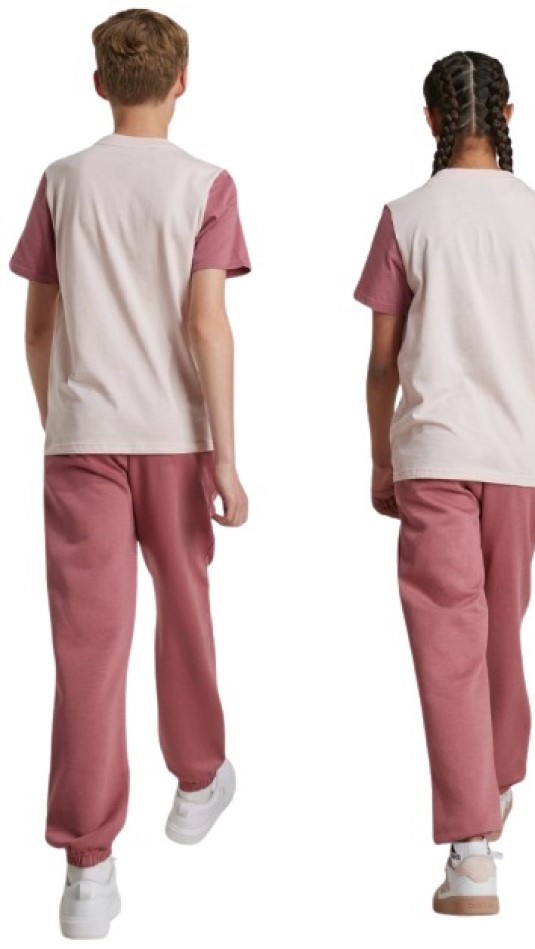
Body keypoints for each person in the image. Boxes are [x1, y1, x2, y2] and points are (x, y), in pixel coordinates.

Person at [9, 8, 251, 939]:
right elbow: (206, 325)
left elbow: (38, 327)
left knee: (87, 645)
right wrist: (225, 454)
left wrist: (64, 420)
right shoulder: (205, 184)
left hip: (83, 438)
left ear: (99, 84)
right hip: (174, 437)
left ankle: (88, 868)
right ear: (182, 81)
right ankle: (196, 779)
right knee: (184, 609)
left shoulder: (61, 181)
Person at [353, 50, 535, 917]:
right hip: (519, 459)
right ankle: (488, 802)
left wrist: (381, 458)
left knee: (453, 647)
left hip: (435, 455)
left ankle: (474, 844)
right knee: (496, 637)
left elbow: (383, 363)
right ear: (509, 115)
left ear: (431, 120)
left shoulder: (405, 217)